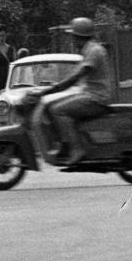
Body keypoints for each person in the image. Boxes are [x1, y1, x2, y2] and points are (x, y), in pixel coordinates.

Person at [40, 17, 113, 164]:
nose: (71, 40)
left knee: (57, 110)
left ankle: (77, 148)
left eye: (73, 37)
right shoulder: (89, 50)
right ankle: (65, 145)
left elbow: (79, 74)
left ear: (79, 37)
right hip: (89, 94)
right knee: (51, 106)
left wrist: (57, 88)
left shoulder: (94, 50)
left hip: (96, 98)